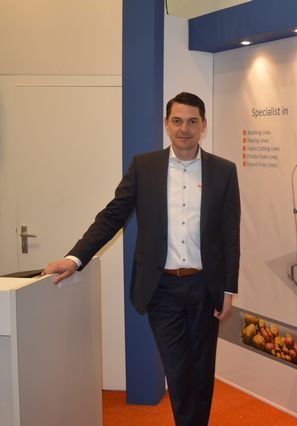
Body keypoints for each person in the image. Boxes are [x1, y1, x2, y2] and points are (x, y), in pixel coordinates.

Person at [43, 92, 240, 426]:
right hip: (161, 288)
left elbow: (229, 234)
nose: (184, 128)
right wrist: (75, 258)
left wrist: (229, 289)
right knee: (178, 371)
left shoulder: (223, 171)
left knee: (202, 371)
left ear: (203, 125)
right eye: (177, 121)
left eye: (192, 121)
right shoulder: (145, 167)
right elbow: (112, 216)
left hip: (205, 288)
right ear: (166, 124)